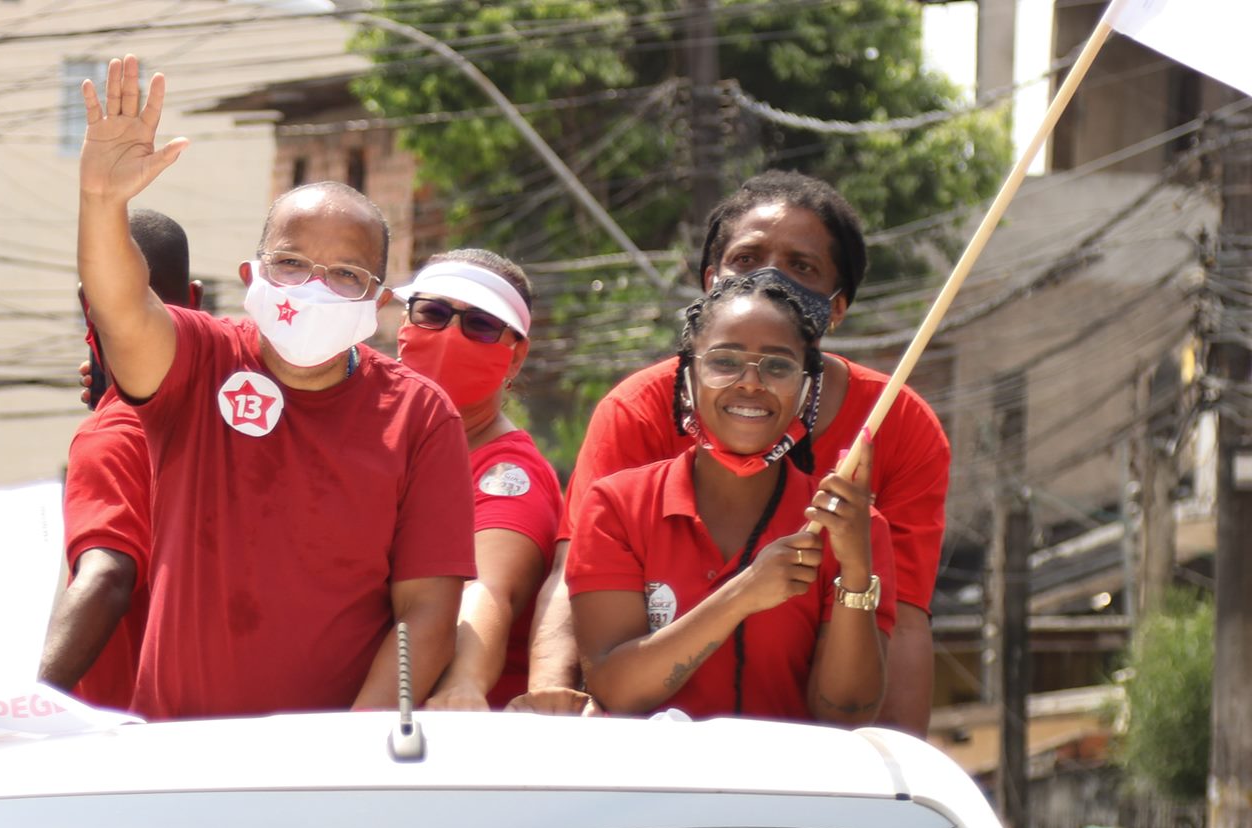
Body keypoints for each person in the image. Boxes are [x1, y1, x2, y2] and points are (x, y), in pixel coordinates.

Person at [76, 56, 474, 719]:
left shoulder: (420, 416)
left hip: (324, 776)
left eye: (346, 275)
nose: (314, 288)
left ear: (378, 300)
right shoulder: (196, 360)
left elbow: (427, 614)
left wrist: (351, 751)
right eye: (290, 263)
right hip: (173, 755)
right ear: (251, 273)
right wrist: (101, 201)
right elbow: (120, 307)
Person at [519, 171, 948, 733]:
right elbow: (576, 576)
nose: (769, 280)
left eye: (803, 267)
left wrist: (899, 785)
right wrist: (550, 708)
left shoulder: (898, 425)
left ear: (836, 308)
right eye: (746, 260)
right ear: (709, 283)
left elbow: (903, 624)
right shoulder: (634, 417)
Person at [569, 269, 893, 722]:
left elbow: (846, 715)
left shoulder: (854, 528)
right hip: (645, 787)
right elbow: (617, 690)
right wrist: (744, 594)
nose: (751, 383)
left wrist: (856, 572)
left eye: (778, 366)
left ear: (805, 390)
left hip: (786, 791)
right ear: (688, 377)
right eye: (724, 362)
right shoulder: (617, 506)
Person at [390, 250, 570, 711]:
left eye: (481, 325)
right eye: (432, 313)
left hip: (448, 731)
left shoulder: (509, 475)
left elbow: (486, 587)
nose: (450, 336)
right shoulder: (367, 438)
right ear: (403, 325)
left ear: (515, 356)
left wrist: (464, 681)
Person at [39, 208, 202, 711]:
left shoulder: (113, 434)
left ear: (89, 306)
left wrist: (22, 706)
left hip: (126, 751)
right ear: (195, 296)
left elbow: (106, 578)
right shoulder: (247, 411)